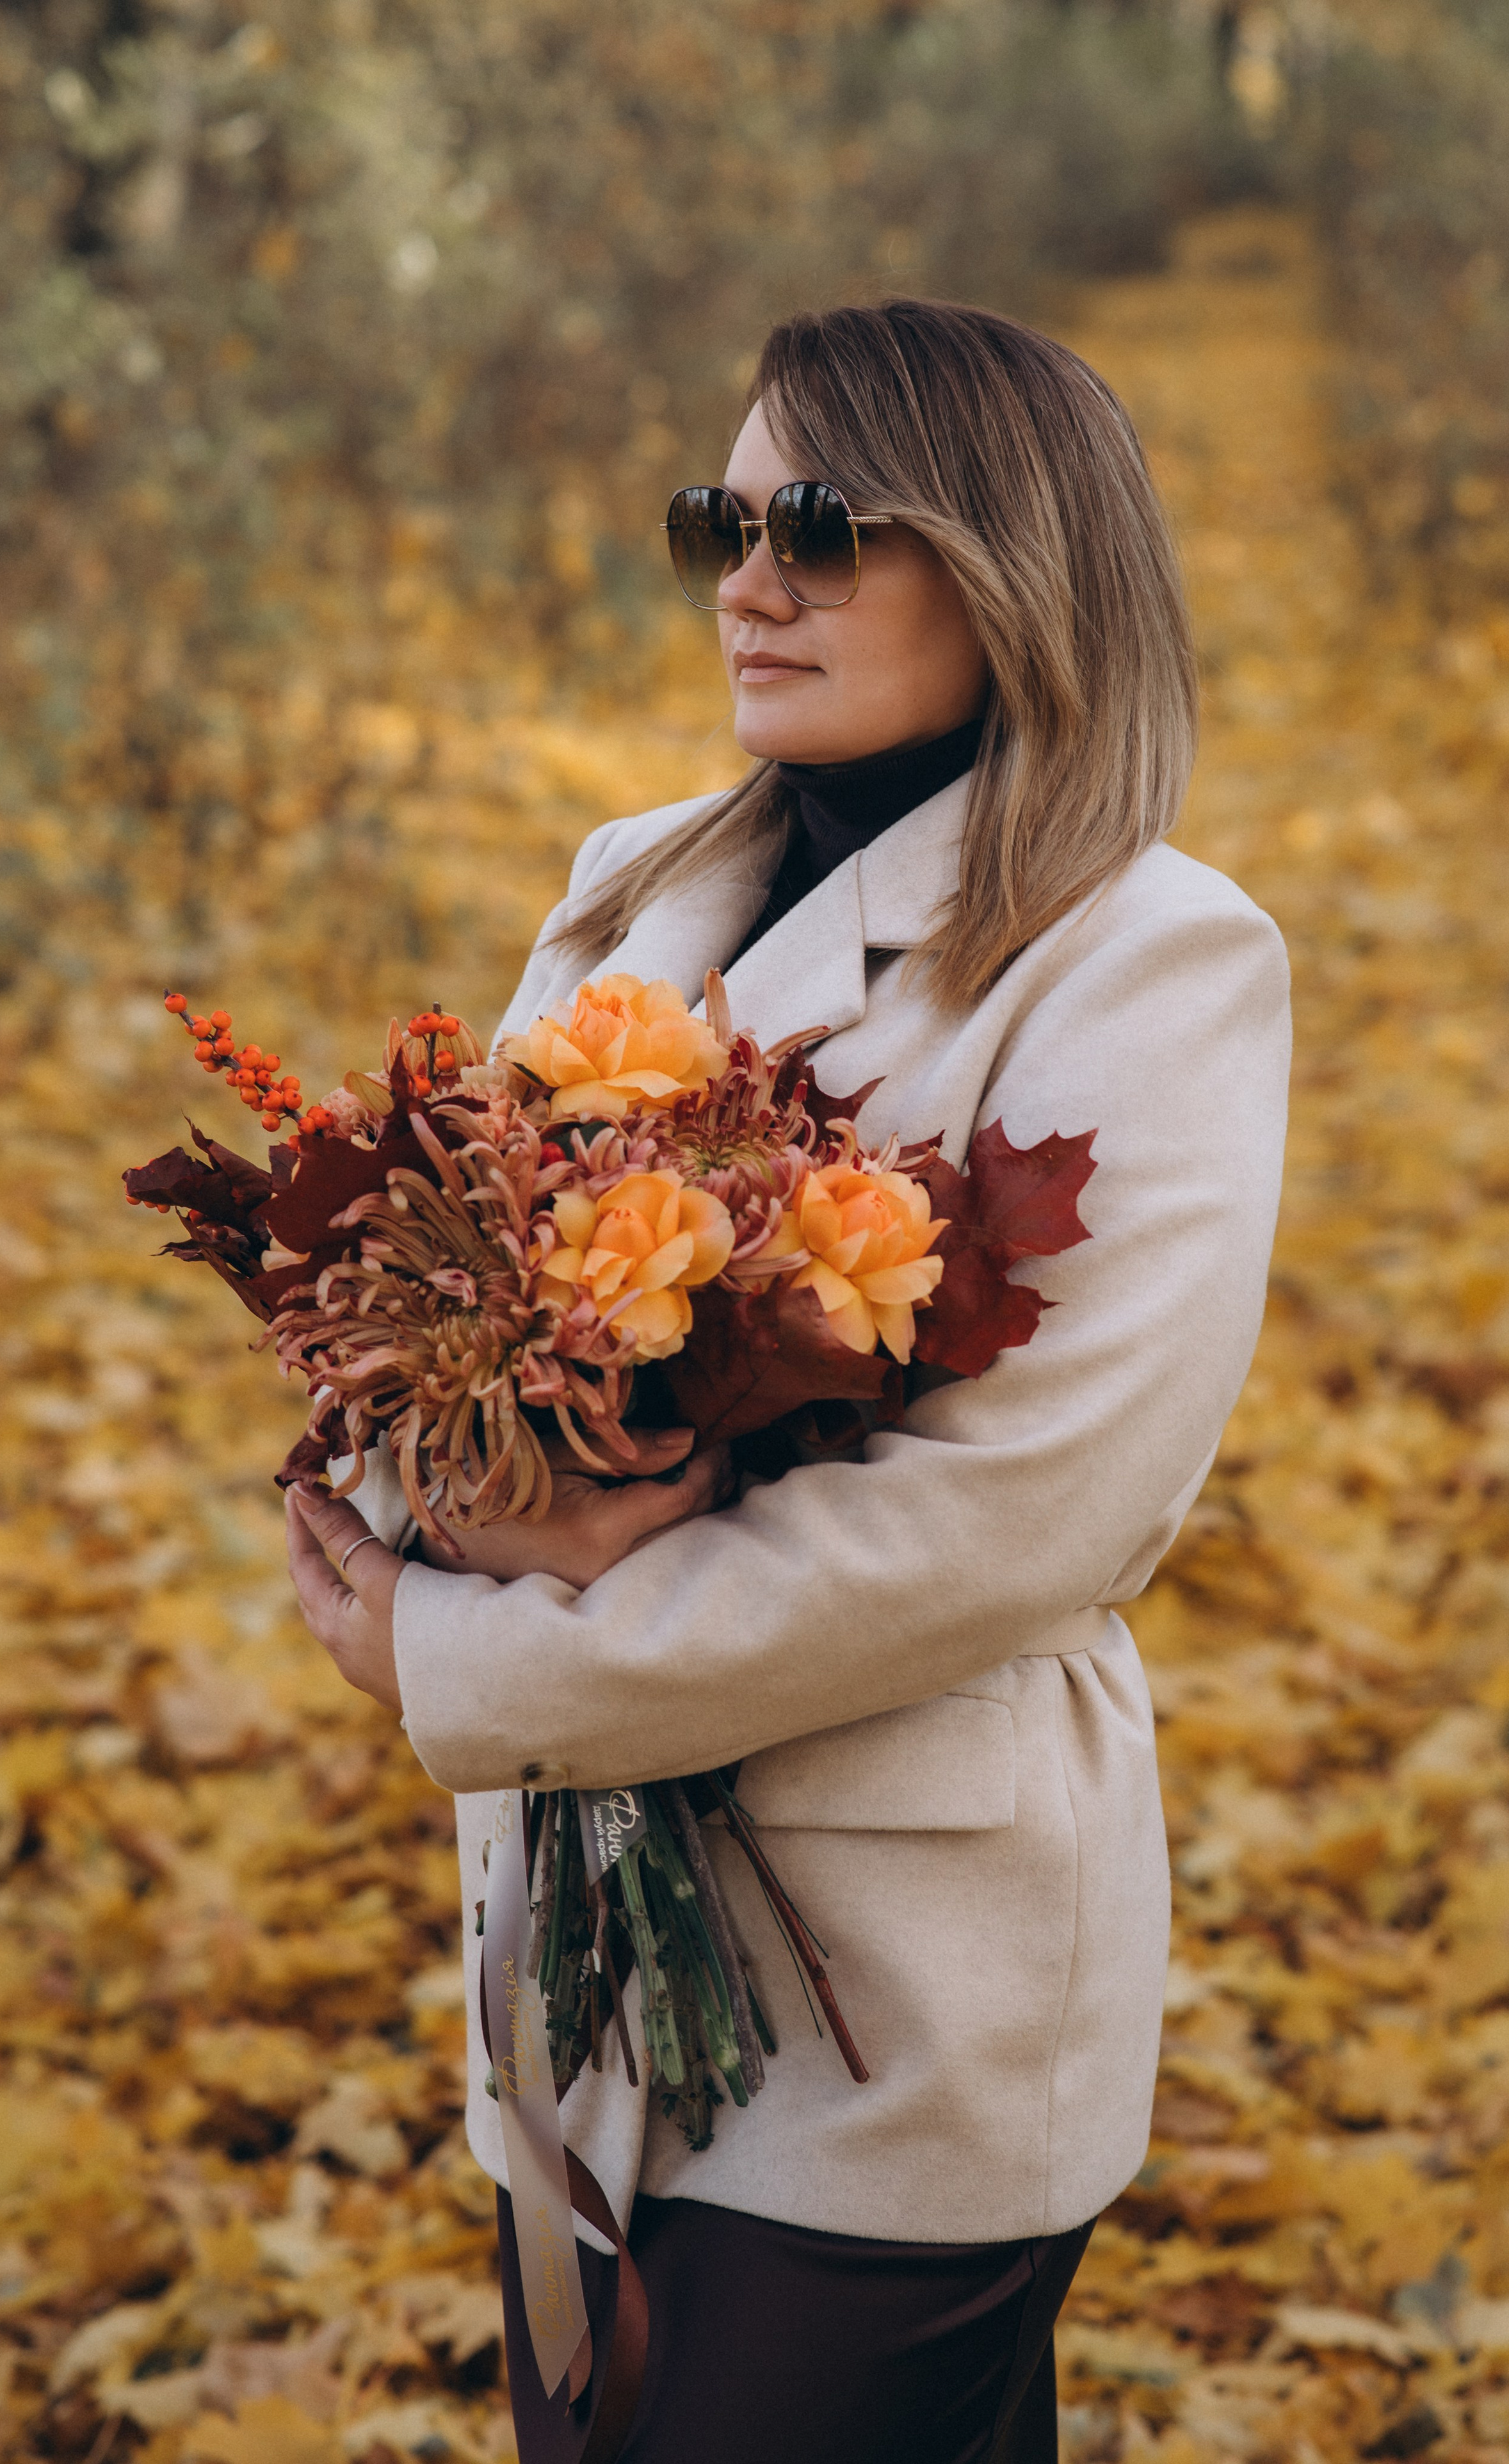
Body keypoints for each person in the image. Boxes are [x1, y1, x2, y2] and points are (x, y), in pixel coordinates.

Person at [286, 298, 1291, 2464]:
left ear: (1010, 558)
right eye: (717, 524)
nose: (747, 583)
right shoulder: (630, 887)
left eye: (818, 527)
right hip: (571, 1985)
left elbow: (1022, 1518)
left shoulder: (1151, 954)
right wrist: (446, 1479)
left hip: (897, 1998)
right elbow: (434, 1315)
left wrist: (478, 1652)